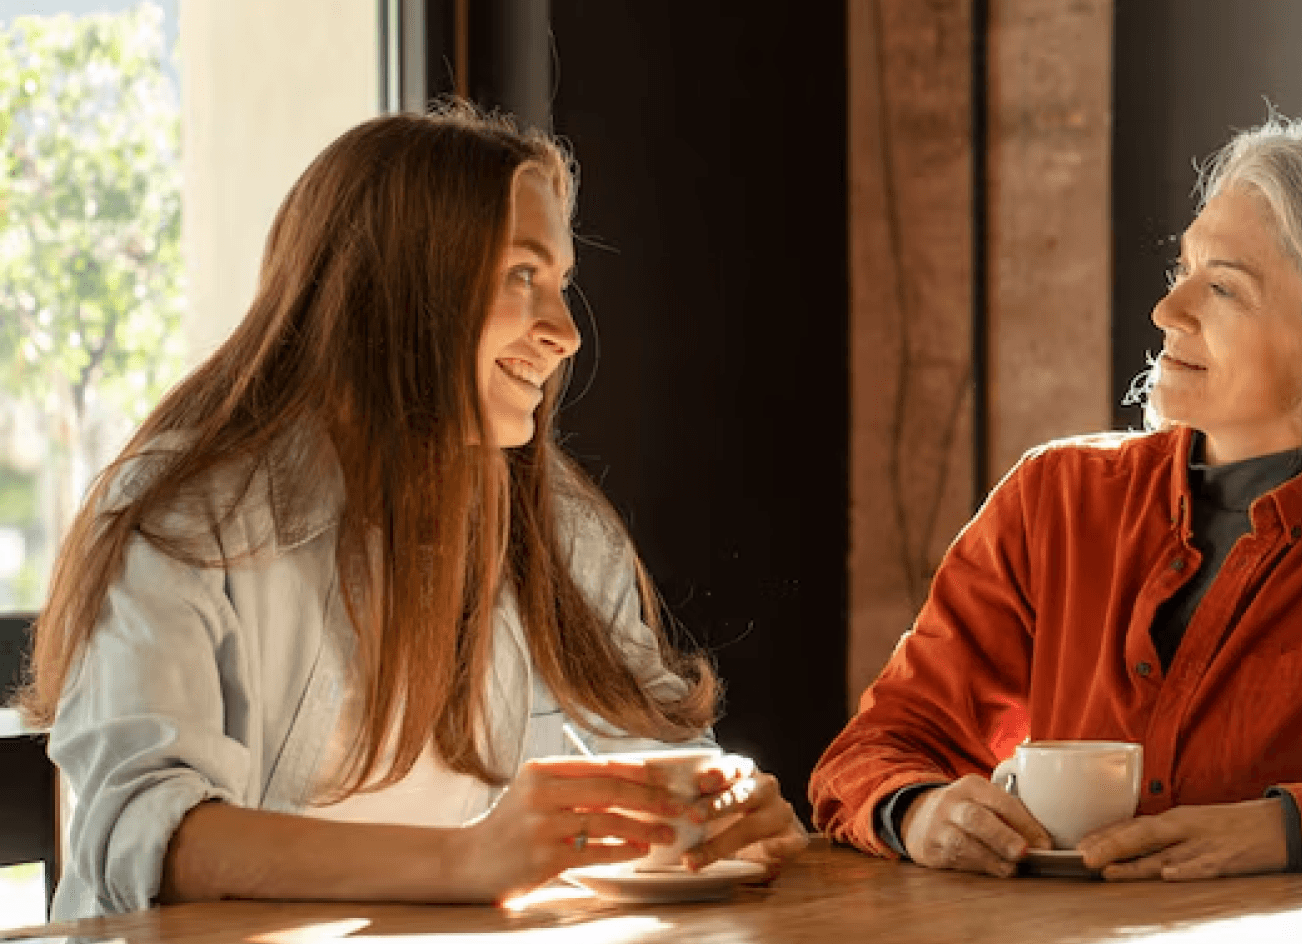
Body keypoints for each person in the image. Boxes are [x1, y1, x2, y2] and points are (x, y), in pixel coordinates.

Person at [20, 103, 806, 920]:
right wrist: (469, 859)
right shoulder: (183, 518)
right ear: (399, 287)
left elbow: (636, 742)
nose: (566, 333)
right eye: (521, 277)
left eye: (562, 283)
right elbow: (140, 837)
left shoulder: (558, 523)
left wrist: (716, 806)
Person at [810, 112, 1302, 881]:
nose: (1166, 312)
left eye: (1223, 290)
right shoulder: (1052, 497)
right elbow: (875, 751)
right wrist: (916, 812)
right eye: (1180, 272)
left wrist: (1291, 828)